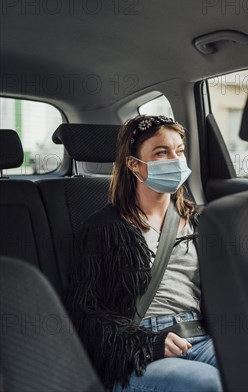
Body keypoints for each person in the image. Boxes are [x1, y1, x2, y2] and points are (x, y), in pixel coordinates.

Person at [65, 115, 222, 392]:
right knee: (207, 383)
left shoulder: (201, 221)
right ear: (134, 164)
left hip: (201, 335)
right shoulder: (103, 230)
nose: (175, 160)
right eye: (162, 152)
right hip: (138, 351)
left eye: (179, 151)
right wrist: (145, 343)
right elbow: (85, 314)